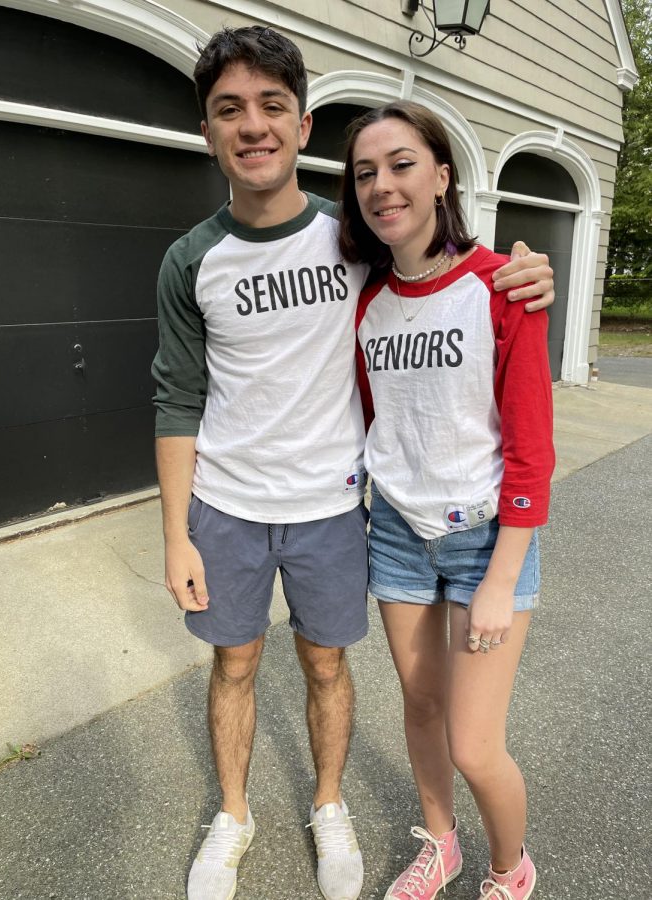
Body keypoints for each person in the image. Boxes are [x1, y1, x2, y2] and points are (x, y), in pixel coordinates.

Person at [151, 26, 555, 900]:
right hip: (234, 507)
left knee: (332, 667)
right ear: (209, 131)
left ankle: (331, 807)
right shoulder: (192, 260)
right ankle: (235, 816)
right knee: (238, 666)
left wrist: (524, 271)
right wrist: (176, 533)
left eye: (271, 107)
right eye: (229, 110)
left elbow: (440, 266)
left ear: (301, 128)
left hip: (338, 511)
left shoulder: (354, 242)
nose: (251, 125)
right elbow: (176, 399)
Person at [340, 100, 554, 900]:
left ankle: (510, 869)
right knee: (421, 708)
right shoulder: (365, 301)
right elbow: (378, 417)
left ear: (440, 174)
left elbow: (532, 448)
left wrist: (501, 578)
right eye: (364, 172)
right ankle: (442, 843)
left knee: (473, 743)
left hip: (485, 539)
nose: (381, 185)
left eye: (400, 164)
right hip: (396, 531)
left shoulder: (502, 286)